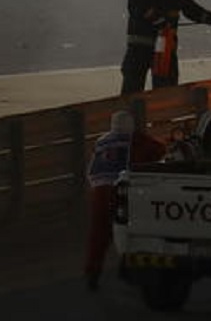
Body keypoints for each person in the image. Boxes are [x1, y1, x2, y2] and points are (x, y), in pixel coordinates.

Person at [84, 110, 166, 291]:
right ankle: (128, 269)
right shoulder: (136, 140)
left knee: (99, 234)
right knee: (129, 230)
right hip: (120, 191)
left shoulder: (102, 141)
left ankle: (93, 272)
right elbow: (160, 150)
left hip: (98, 192)